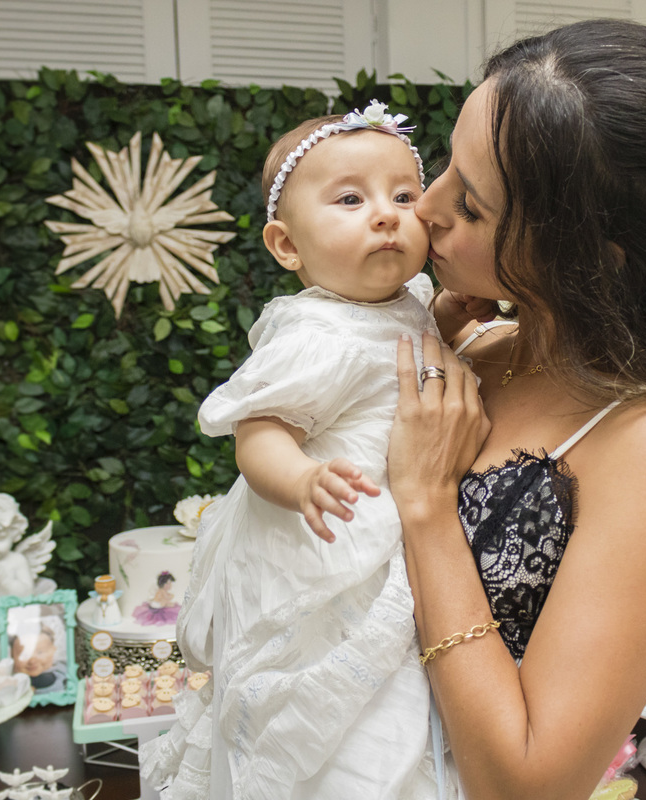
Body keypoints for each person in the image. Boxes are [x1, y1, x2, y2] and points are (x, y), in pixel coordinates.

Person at [385, 19, 646, 799]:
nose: (423, 207)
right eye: (444, 168)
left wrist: (430, 505)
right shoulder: (481, 339)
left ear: (590, 261)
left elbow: (529, 783)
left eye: (469, 206)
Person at [141, 102, 442, 798]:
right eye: (349, 199)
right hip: (322, 545)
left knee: (394, 693)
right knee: (329, 692)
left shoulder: (415, 298)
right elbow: (260, 435)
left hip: (386, 538)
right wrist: (302, 480)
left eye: (404, 195)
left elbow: (429, 328)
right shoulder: (315, 335)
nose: (386, 213)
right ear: (286, 246)